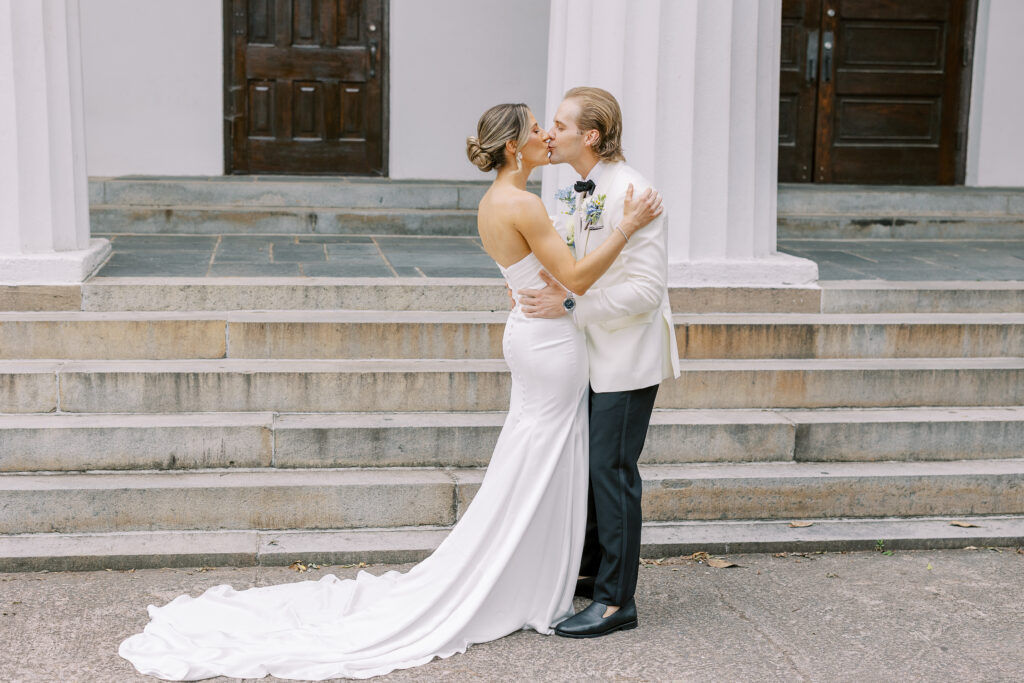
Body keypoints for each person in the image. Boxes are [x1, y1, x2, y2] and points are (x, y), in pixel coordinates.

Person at [117, 102, 661, 681]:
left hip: (534, 332)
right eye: (534, 129)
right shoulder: (523, 202)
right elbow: (574, 279)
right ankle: (523, 568)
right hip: (549, 340)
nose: (545, 135)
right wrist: (626, 227)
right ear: (512, 147)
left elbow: (544, 273)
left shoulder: (497, 202)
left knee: (533, 453)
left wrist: (555, 283)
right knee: (541, 452)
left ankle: (531, 562)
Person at [517, 87, 680, 638]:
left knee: (612, 474)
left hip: (625, 356)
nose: (548, 134)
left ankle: (616, 602)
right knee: (587, 470)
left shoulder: (636, 192)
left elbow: (646, 291)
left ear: (591, 135)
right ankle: (589, 574)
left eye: (559, 125)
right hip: (580, 355)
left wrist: (570, 304)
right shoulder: (569, 192)